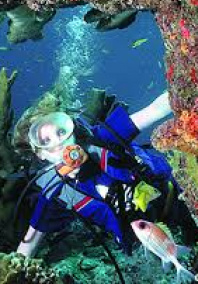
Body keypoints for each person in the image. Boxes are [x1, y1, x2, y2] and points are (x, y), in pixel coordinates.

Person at [16, 92, 180, 258]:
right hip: (148, 246)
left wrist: (189, 87)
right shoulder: (56, 193)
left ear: (71, 129)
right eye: (45, 141)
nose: (59, 144)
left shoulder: (104, 138)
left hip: (179, 197)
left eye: (60, 131)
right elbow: (28, 244)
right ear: (40, 154)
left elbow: (154, 110)